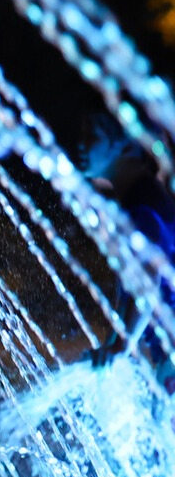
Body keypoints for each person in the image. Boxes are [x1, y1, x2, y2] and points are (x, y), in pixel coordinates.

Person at [84, 116, 175, 390]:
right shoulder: (139, 203)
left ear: (125, 144)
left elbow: (148, 280)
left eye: (92, 133)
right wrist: (112, 345)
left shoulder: (141, 207)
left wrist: (123, 344)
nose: (80, 145)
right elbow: (131, 294)